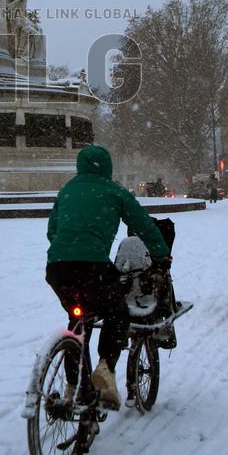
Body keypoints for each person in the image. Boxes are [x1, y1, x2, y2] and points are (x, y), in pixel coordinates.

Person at [46, 144, 171, 411]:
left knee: (78, 318)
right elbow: (144, 226)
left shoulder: (67, 190)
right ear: (107, 167)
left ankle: (72, 382)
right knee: (116, 312)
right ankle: (105, 368)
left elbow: (52, 231)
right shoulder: (115, 191)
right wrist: (161, 254)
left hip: (58, 268)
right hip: (93, 267)